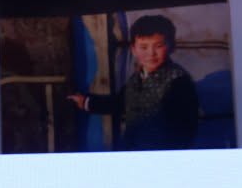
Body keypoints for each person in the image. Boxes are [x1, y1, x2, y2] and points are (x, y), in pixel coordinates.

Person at [68, 14, 200, 151]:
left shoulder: (179, 82)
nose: (151, 53)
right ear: (133, 50)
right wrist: (86, 102)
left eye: (158, 46)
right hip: (133, 148)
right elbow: (120, 103)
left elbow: (186, 128)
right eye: (143, 47)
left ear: (172, 46)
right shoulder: (136, 79)